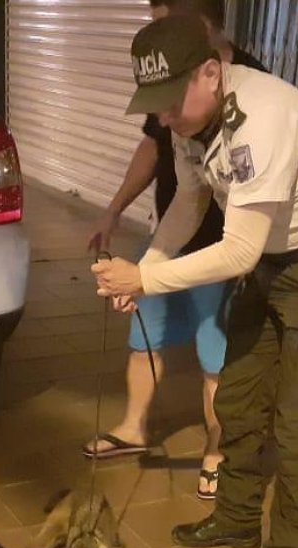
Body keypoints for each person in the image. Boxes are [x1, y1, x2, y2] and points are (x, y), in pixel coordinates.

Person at [92, 15, 298, 548]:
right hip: (266, 269)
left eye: (169, 103)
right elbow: (190, 202)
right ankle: (238, 519)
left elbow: (238, 249)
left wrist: (144, 278)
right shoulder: (192, 119)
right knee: (240, 399)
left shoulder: (264, 118)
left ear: (212, 72)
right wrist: (148, 267)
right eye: (153, 105)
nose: (163, 118)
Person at [83, 0, 266, 501]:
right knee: (146, 333)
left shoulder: (252, 95)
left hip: (224, 247)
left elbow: (243, 243)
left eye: (166, 25)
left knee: (216, 355)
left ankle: (217, 449)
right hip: (173, 234)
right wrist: (137, 252)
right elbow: (182, 187)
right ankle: (133, 427)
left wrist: (144, 275)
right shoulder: (170, 94)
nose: (156, 37)